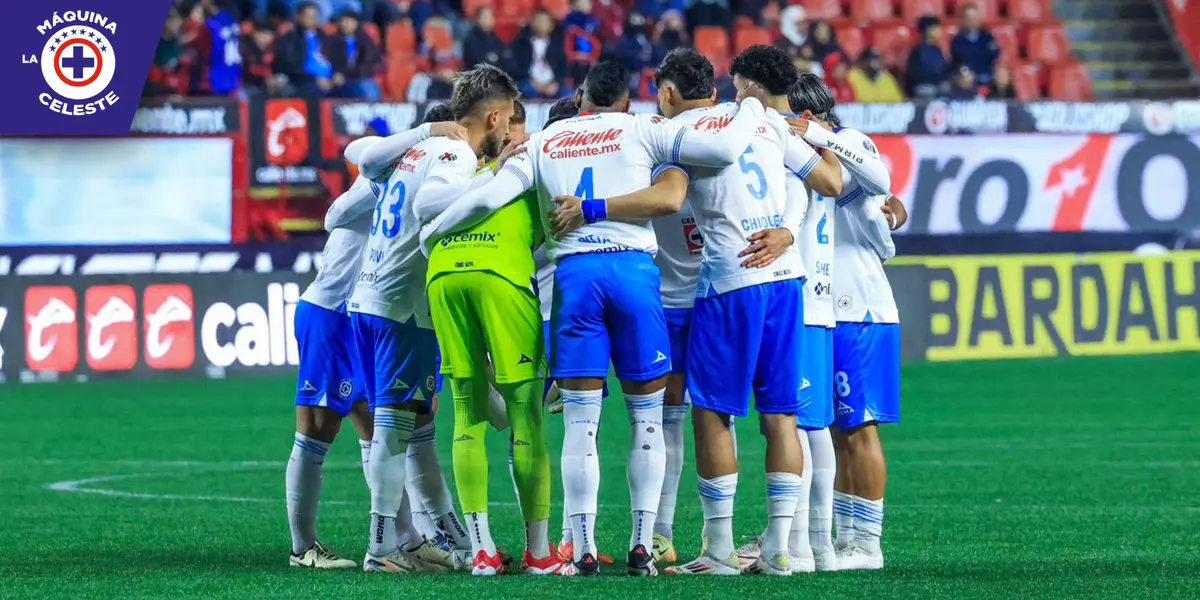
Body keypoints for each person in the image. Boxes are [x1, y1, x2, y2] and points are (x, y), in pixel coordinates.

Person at [419, 59, 770, 576]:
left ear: (580, 97)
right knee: (646, 420)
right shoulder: (645, 127)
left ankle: (580, 547)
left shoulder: (545, 139)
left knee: (581, 425)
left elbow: (489, 195)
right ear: (626, 100)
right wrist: (752, 108)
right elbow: (714, 153)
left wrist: (433, 233)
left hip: (576, 279)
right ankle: (641, 544)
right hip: (633, 274)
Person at [347, 64, 513, 574]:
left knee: (400, 428)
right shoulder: (457, 153)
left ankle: (421, 538)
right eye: (507, 119)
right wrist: (498, 177)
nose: (508, 130)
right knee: (392, 432)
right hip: (400, 310)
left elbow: (365, 160)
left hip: (370, 299)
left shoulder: (419, 148)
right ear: (491, 116)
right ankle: (381, 549)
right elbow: (429, 202)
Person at [290, 124, 464, 572]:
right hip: (332, 311)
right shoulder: (391, 176)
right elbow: (334, 212)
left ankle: (403, 540)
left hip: (364, 313)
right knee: (316, 430)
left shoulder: (407, 175)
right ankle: (303, 548)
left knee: (382, 430)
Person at [409, 84, 564, 576]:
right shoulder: (535, 163)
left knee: (466, 413)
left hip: (444, 275)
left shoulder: (464, 166)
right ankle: (540, 553)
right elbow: (557, 234)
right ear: (504, 121)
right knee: (525, 415)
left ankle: (481, 551)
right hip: (500, 278)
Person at [786, 74, 898, 573]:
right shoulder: (806, 154)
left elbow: (882, 184)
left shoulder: (846, 142)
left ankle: (867, 544)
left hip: (862, 307)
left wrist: (816, 134)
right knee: (834, 430)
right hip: (829, 305)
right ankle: (843, 537)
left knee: (860, 427)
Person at [273, 1, 334, 96]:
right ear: (298, 17)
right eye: (308, 16)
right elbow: (289, 65)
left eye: (315, 16)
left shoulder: (326, 38)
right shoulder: (290, 39)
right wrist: (314, 78)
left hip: (329, 80)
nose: (312, 19)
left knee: (354, 90)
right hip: (304, 80)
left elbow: (338, 59)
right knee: (311, 91)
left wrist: (338, 74)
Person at [510, 10, 569, 99]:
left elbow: (563, 67)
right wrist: (533, 82)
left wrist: (556, 83)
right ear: (532, 23)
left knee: (569, 93)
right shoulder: (521, 42)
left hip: (552, 83)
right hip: (529, 82)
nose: (540, 24)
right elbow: (516, 66)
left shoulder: (557, 44)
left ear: (551, 26)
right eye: (538, 21)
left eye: (544, 21)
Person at [325, 10, 382, 100]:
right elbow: (328, 61)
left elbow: (368, 63)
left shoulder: (365, 41)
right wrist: (335, 75)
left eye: (351, 21)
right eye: (344, 21)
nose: (347, 24)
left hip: (359, 77)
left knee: (369, 89)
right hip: (337, 78)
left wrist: (347, 75)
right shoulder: (331, 41)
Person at [950, 2, 999, 85]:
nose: (973, 21)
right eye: (969, 18)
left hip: (987, 77)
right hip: (967, 79)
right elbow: (958, 62)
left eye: (975, 17)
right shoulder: (957, 40)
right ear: (964, 20)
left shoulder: (987, 36)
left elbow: (995, 54)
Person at [905, 16, 947, 99]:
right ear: (928, 30)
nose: (940, 31)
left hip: (938, 85)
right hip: (923, 87)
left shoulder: (938, 50)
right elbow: (914, 76)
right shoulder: (918, 51)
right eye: (937, 28)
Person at [462, 7, 508, 72]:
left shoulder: (497, 39)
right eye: (486, 17)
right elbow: (474, 63)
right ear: (478, 19)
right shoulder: (471, 40)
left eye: (491, 17)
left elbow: (503, 61)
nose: (490, 19)